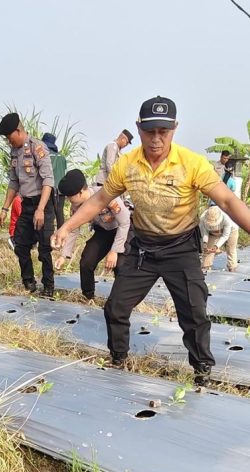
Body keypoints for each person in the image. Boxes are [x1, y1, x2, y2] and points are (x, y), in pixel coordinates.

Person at [52, 96, 250, 386]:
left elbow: (228, 201)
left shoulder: (191, 163)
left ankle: (202, 371)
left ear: (174, 128)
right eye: (150, 131)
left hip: (180, 248)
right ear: (138, 128)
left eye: (164, 132)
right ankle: (118, 359)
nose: (156, 139)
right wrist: (67, 227)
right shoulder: (127, 165)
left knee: (194, 314)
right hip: (142, 249)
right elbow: (99, 200)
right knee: (115, 307)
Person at [0, 113, 56, 297]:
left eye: (9, 137)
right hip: (27, 205)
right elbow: (14, 182)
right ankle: (29, 282)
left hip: (42, 205)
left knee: (45, 249)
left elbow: (48, 181)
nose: (8, 142)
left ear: (18, 130)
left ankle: (48, 287)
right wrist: (4, 209)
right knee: (20, 245)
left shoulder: (38, 147)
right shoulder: (14, 152)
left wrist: (40, 210)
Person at [54, 169, 130, 301]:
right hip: (103, 232)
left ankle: (121, 301)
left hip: (122, 231)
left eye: (70, 196)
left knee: (120, 265)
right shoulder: (76, 206)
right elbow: (73, 229)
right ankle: (88, 297)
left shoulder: (106, 195)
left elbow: (125, 222)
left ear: (81, 191)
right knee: (86, 261)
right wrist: (64, 255)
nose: (67, 200)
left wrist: (114, 251)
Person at [200, 206, 238, 273]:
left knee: (231, 249)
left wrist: (216, 246)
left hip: (232, 230)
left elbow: (225, 236)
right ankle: (205, 267)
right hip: (212, 232)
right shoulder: (202, 219)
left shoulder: (227, 218)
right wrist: (205, 243)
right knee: (208, 250)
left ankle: (232, 268)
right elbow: (205, 233)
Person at [41, 133, 67, 229]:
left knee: (49, 213)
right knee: (60, 213)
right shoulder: (62, 158)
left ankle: (48, 235)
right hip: (61, 190)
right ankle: (61, 235)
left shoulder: (44, 157)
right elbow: (64, 172)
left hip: (48, 188)